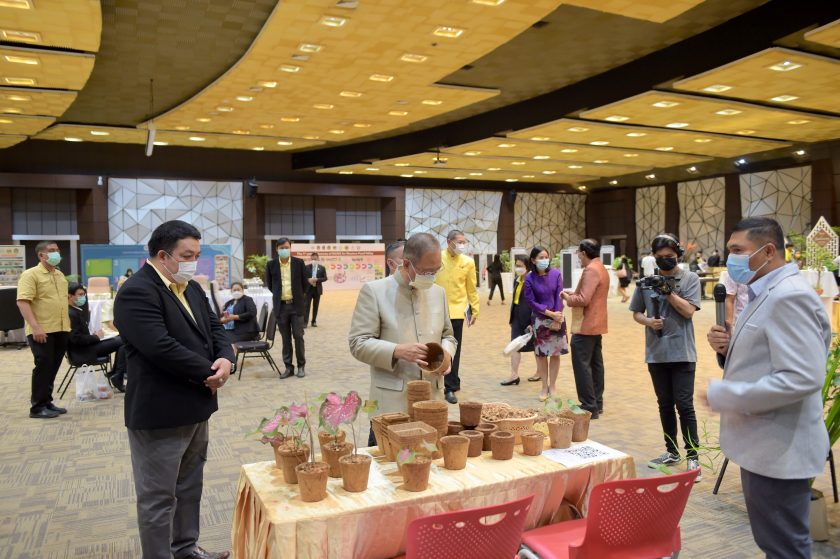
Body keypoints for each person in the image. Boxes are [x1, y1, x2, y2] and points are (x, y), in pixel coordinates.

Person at [706, 217, 830, 558]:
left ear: (769, 251)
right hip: (764, 444)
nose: (730, 259)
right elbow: (768, 357)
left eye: (737, 250)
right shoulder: (764, 291)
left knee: (785, 548)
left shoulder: (789, 296)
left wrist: (726, 395)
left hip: (779, 449)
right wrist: (728, 349)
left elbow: (802, 377)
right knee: (775, 544)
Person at [114, 220, 234, 559]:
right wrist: (210, 372)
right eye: (187, 255)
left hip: (197, 404)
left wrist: (226, 359)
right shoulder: (137, 291)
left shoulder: (190, 287)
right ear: (163, 255)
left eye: (197, 255)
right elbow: (160, 347)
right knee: (158, 497)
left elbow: (215, 329)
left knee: (189, 486)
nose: (193, 262)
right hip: (161, 412)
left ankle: (185, 548)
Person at [348, 232, 456, 446]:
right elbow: (358, 342)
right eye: (426, 271)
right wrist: (396, 350)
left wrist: (447, 355)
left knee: (430, 462)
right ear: (406, 264)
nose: (432, 277)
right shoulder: (375, 291)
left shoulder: (438, 293)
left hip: (431, 403)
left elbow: (448, 335)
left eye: (436, 270)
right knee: (386, 462)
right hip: (391, 406)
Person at [628, 233, 701, 479]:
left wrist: (668, 292)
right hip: (656, 353)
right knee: (665, 404)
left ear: (678, 255)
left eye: (670, 256)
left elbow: (688, 311)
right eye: (660, 257)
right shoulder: (645, 282)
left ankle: (693, 457)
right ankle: (672, 451)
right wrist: (649, 321)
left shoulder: (690, 278)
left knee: (685, 405)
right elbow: (636, 313)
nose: (665, 260)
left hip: (683, 353)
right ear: (654, 257)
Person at [16, 241, 71, 419]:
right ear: (41, 255)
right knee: (43, 365)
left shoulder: (59, 275)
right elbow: (23, 302)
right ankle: (37, 407)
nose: (56, 253)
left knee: (53, 367)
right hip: (42, 329)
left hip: (61, 328)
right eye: (52, 250)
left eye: (57, 250)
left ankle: (47, 401)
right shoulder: (30, 274)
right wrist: (35, 327)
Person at [562, 239, 609, 418]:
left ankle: (589, 406)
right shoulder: (600, 267)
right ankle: (597, 403)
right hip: (596, 324)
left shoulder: (591, 270)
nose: (578, 257)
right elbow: (589, 295)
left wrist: (568, 298)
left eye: (579, 253)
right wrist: (573, 294)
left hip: (586, 324)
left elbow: (583, 299)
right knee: (596, 365)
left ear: (583, 253)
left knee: (582, 366)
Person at [434, 230, 479, 404]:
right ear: (449, 242)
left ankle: (450, 387)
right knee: (436, 348)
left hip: (457, 312)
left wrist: (475, 309)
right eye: (459, 242)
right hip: (436, 310)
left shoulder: (468, 262)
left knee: (453, 350)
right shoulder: (437, 257)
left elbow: (471, 288)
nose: (462, 245)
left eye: (464, 242)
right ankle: (436, 381)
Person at [523, 246, 567, 401]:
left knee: (555, 354)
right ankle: (543, 387)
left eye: (546, 257)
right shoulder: (529, 278)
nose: (544, 260)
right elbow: (531, 301)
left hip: (557, 317)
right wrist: (549, 314)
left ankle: (552, 386)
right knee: (541, 355)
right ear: (533, 260)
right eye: (541, 258)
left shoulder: (556, 274)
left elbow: (559, 296)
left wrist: (557, 316)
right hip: (540, 319)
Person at [67, 283, 126, 392]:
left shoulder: (75, 310)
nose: (83, 297)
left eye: (84, 294)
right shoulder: (71, 313)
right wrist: (95, 337)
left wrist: (94, 336)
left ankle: (116, 374)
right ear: (69, 296)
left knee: (121, 339)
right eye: (80, 294)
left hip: (88, 346)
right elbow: (76, 339)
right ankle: (117, 375)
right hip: (83, 352)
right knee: (123, 341)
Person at [265, 238, 309, 379]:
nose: (284, 250)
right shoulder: (271, 265)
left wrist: (298, 297)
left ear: (290, 248)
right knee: (285, 339)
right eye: (281, 248)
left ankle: (301, 366)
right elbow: (270, 285)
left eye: (287, 247)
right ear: (277, 249)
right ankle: (288, 367)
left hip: (296, 306)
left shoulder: (298, 263)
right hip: (281, 307)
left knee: (298, 336)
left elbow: (305, 284)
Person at [501, 255, 536, 386]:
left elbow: (535, 303)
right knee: (515, 345)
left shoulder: (532, 281)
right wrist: (511, 318)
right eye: (516, 265)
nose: (518, 268)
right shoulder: (517, 279)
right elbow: (515, 301)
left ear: (527, 266)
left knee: (536, 346)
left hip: (529, 318)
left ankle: (540, 372)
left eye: (520, 266)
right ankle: (514, 375)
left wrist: (533, 321)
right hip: (517, 316)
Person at [304, 252, 328, 328]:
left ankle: (313, 321)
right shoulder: (306, 267)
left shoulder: (322, 268)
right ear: (311, 258)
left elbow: (325, 278)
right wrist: (308, 280)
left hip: (317, 290)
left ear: (318, 258)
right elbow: (303, 277)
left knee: (316, 306)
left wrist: (317, 279)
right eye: (313, 259)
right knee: (306, 306)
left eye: (315, 258)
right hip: (308, 290)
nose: (314, 260)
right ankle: (305, 322)